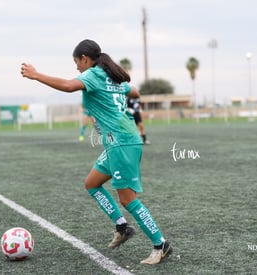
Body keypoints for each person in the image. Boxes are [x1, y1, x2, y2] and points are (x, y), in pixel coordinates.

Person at [20, 39, 172, 265]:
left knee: (127, 199)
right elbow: (136, 92)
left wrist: (36, 75)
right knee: (92, 183)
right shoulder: (110, 76)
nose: (77, 68)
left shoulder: (93, 74)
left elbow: (69, 86)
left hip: (122, 143)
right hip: (119, 142)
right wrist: (117, 92)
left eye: (76, 62)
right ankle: (122, 226)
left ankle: (161, 245)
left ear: (85, 58)